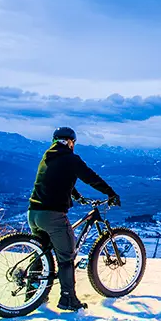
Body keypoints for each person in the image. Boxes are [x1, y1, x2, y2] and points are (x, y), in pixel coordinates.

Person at [26, 127, 120, 311]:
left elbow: (59, 179)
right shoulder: (71, 158)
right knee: (66, 256)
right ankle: (68, 299)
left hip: (34, 213)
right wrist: (110, 192)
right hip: (52, 215)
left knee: (42, 251)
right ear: (70, 142)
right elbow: (90, 177)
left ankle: (33, 293)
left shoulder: (47, 157)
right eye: (73, 143)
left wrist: (75, 196)